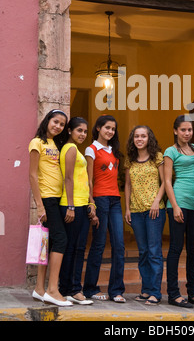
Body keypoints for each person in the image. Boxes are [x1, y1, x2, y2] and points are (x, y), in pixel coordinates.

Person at [28, 109, 73, 307]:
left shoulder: (56, 144)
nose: (58, 126)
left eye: (62, 124)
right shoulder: (36, 142)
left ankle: (39, 288)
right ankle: (53, 290)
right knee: (61, 239)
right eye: (55, 122)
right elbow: (32, 175)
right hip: (46, 199)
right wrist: (39, 205)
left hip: (57, 198)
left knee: (49, 243)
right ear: (48, 120)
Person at [164, 115, 194, 308]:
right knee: (176, 248)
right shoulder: (170, 152)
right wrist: (175, 206)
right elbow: (166, 181)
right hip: (178, 203)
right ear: (175, 131)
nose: (187, 133)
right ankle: (173, 294)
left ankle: (193, 293)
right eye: (183, 130)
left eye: (189, 130)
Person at [83, 115, 126, 303]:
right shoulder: (91, 149)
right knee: (99, 245)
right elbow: (88, 179)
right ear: (99, 128)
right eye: (107, 128)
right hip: (99, 200)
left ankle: (116, 290)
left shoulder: (114, 150)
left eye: (113, 129)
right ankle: (90, 289)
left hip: (115, 199)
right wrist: (90, 202)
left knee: (119, 245)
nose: (110, 131)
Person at [124, 126, 166, 305]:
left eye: (143, 136)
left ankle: (155, 293)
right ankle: (146, 290)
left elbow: (165, 182)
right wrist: (127, 208)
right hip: (136, 210)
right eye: (136, 136)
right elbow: (127, 185)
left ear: (149, 138)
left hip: (154, 210)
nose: (139, 139)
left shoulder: (158, 156)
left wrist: (157, 201)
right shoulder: (130, 160)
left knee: (154, 251)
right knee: (143, 252)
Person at [59, 117, 96, 305]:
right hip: (73, 205)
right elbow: (68, 179)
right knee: (75, 248)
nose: (82, 134)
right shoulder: (71, 149)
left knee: (75, 247)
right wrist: (72, 206)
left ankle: (67, 289)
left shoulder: (74, 149)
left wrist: (90, 202)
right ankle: (73, 289)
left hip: (80, 204)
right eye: (79, 130)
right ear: (70, 131)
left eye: (84, 131)